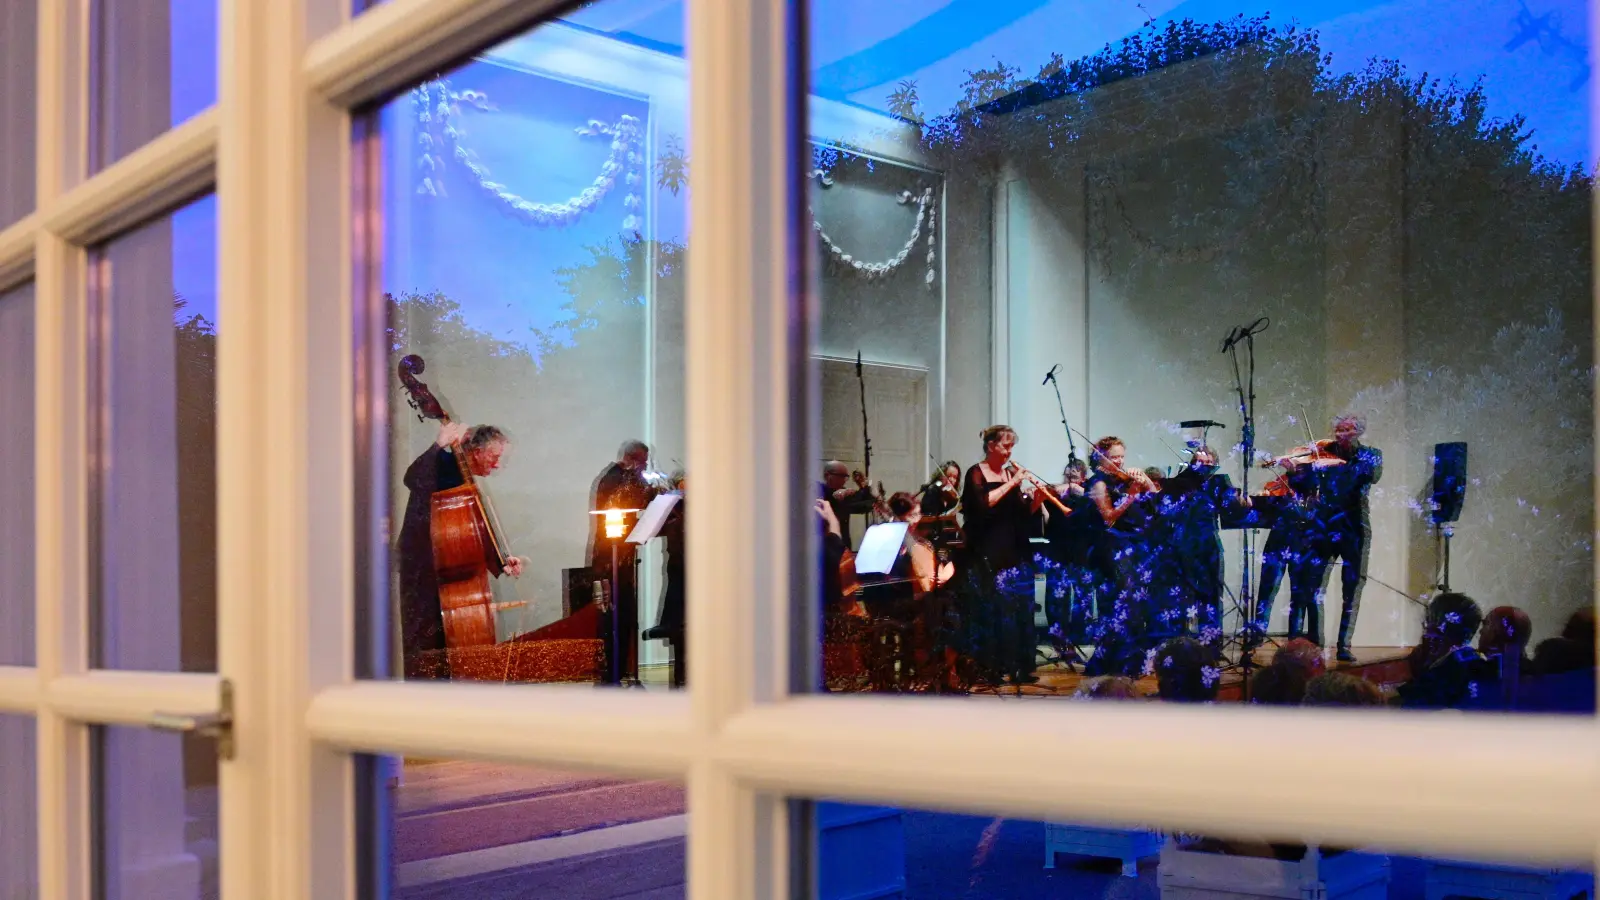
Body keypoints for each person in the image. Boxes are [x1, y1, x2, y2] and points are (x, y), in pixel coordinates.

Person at [397, 421, 526, 679]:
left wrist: (502, 561)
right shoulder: (444, 464)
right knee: (426, 651)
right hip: (422, 572)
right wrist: (438, 444)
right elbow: (411, 478)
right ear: (476, 451)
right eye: (495, 457)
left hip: (445, 572)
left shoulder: (463, 479)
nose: (497, 464)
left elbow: (469, 533)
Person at [960, 425, 1047, 685]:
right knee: (995, 608)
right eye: (1005, 446)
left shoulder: (1010, 472)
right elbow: (983, 504)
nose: (1010, 451)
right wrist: (1012, 483)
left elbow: (1022, 513)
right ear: (990, 446)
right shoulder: (976, 472)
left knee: (1022, 608)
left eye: (1012, 446)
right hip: (988, 548)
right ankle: (993, 667)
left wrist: (1038, 499)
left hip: (1015, 546)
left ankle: (1022, 666)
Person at [589, 439, 661, 686]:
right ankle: (611, 678)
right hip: (610, 561)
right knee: (614, 621)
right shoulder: (615, 478)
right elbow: (636, 498)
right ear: (630, 459)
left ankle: (622, 674)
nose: (644, 467)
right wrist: (657, 490)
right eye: (642, 461)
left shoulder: (624, 476)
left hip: (623, 560)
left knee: (627, 618)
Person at [819, 460, 880, 548]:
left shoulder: (844, 495)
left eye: (846, 477)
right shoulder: (820, 492)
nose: (845, 480)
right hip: (826, 549)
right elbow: (831, 499)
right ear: (828, 476)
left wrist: (863, 486)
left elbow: (865, 505)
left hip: (843, 546)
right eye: (842, 476)